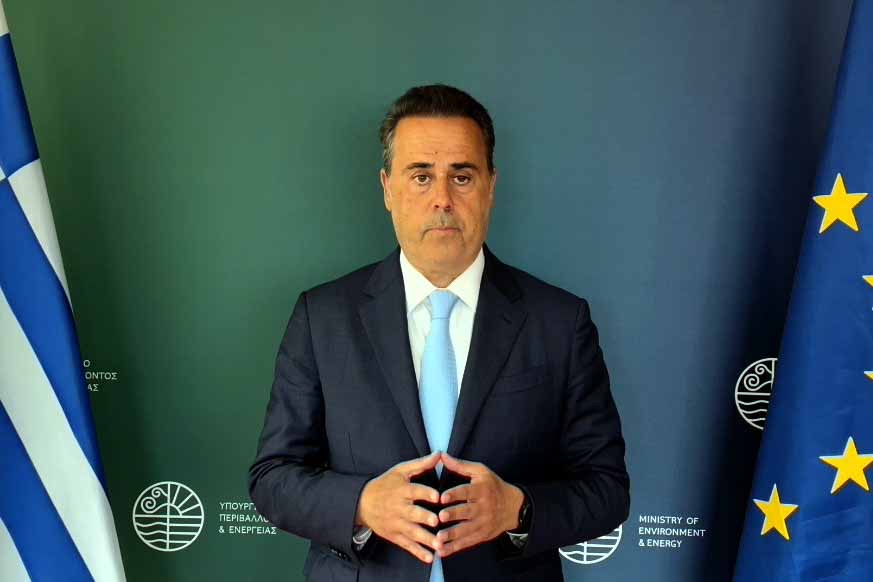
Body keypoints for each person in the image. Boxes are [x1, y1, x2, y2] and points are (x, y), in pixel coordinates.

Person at [248, 84, 629, 582]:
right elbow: (273, 477)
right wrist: (361, 504)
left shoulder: (559, 321)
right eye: (421, 176)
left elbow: (606, 488)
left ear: (491, 186)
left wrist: (517, 509)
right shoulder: (322, 318)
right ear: (388, 188)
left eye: (462, 177)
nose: (442, 199)